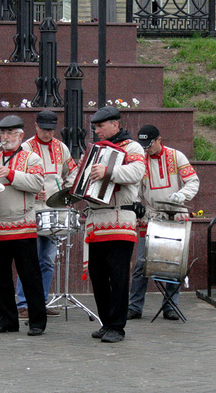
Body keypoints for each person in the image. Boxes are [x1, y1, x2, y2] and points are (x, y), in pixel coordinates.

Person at [0, 115, 47, 336]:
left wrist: (11, 174)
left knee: (30, 276)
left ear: (21, 135)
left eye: (10, 133)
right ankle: (7, 321)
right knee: (0, 278)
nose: (6, 137)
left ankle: (37, 322)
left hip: (23, 226)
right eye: (3, 133)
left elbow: (37, 183)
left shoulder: (32, 159)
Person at [82, 106, 145, 343]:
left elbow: (137, 171)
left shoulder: (133, 147)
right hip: (97, 221)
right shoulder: (95, 151)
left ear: (116, 125)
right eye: (95, 127)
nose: (97, 131)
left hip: (120, 220)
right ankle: (106, 322)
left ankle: (117, 327)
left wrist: (107, 171)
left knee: (118, 276)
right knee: (98, 276)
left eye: (101, 126)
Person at [127, 124, 200, 320]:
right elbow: (133, 186)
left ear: (159, 140)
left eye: (149, 145)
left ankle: (170, 305)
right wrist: (136, 203)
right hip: (151, 216)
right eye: (143, 145)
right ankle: (134, 306)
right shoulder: (140, 160)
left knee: (174, 262)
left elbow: (193, 181)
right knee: (141, 263)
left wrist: (181, 195)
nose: (146, 149)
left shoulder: (177, 157)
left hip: (176, 214)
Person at [15, 110, 78, 320]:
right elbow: (17, 175)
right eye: (44, 129)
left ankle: (40, 302)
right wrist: (32, 190)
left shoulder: (62, 148)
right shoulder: (25, 148)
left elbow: (73, 172)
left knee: (48, 260)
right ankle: (24, 303)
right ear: (36, 126)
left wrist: (66, 193)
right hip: (31, 209)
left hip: (54, 210)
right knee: (28, 259)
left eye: (51, 130)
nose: (47, 134)